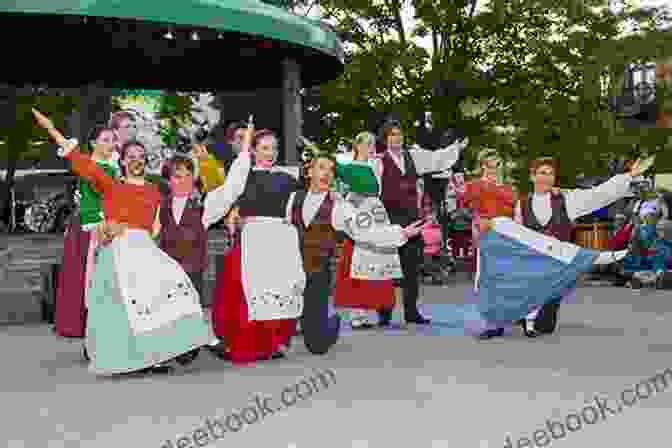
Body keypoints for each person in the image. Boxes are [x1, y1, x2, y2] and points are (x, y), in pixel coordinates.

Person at [34, 108, 214, 375]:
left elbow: (167, 213)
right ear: (123, 161)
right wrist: (52, 131)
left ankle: (161, 353)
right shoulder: (111, 185)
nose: (136, 161)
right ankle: (132, 357)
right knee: (124, 309)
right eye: (131, 157)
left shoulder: (155, 190)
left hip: (146, 250)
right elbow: (82, 162)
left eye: (141, 157)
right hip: (119, 252)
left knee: (167, 293)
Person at [290, 153, 424, 353]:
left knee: (316, 345)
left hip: (318, 271)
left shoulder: (340, 206)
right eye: (322, 168)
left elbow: (366, 231)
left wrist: (401, 233)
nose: (327, 174)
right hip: (292, 269)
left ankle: (328, 327)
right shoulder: (293, 198)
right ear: (310, 172)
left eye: (331, 170)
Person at [509, 156, 655, 338]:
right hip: (532, 263)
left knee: (545, 326)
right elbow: (517, 233)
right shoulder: (521, 204)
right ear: (532, 177)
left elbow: (600, 194)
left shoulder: (567, 199)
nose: (546, 177)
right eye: (542, 173)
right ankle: (522, 308)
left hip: (557, 263)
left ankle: (532, 311)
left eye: (550, 174)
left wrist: (629, 175)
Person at [204, 121, 305, 364]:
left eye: (274, 148)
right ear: (254, 150)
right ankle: (244, 344)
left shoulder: (287, 177)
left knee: (277, 290)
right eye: (265, 148)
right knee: (242, 290)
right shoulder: (243, 174)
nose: (270, 153)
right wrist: (230, 215)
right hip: (252, 238)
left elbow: (298, 207)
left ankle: (270, 344)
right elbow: (228, 194)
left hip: (280, 240)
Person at [376, 120, 467, 326]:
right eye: (392, 135)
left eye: (399, 134)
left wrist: (455, 148)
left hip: (411, 218)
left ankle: (411, 311)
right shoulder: (378, 161)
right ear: (385, 139)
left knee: (411, 268)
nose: (396, 138)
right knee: (386, 269)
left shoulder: (414, 157)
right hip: (388, 219)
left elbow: (437, 159)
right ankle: (384, 313)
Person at [54, 125, 120, 362]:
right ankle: (93, 339)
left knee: (111, 286)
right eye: (105, 139)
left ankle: (107, 337)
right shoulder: (89, 166)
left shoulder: (114, 167)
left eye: (113, 139)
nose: (110, 143)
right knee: (91, 284)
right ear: (93, 143)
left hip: (112, 230)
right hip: (92, 231)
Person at [329, 132, 402, 329]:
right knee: (355, 261)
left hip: (377, 214)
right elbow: (337, 189)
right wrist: (348, 198)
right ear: (357, 145)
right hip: (358, 215)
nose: (370, 147)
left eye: (372, 144)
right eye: (366, 143)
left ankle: (380, 307)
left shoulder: (376, 166)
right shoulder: (346, 167)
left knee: (378, 258)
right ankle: (357, 314)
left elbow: (379, 188)